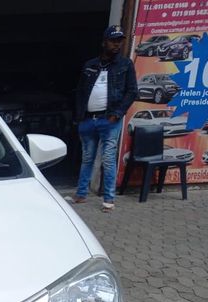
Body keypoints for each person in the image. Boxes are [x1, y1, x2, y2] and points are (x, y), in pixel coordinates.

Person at [73, 25, 138, 212]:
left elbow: (132, 92)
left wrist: (117, 114)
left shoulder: (125, 65)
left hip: (109, 120)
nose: (116, 44)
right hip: (88, 120)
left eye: (119, 41)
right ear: (104, 42)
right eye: (113, 40)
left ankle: (109, 199)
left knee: (108, 159)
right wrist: (79, 118)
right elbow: (80, 92)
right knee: (87, 158)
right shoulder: (90, 65)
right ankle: (81, 194)